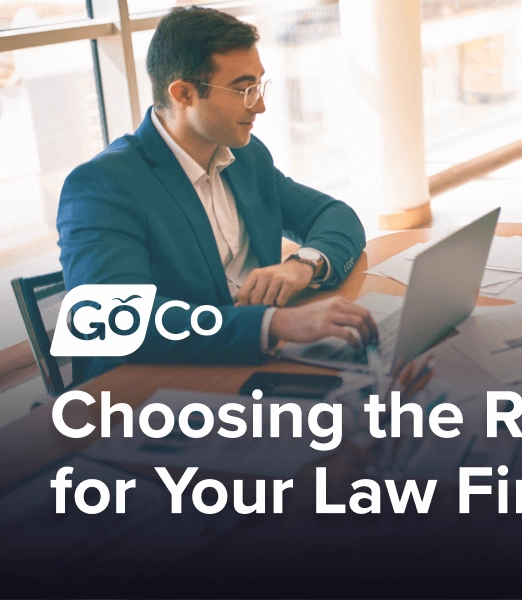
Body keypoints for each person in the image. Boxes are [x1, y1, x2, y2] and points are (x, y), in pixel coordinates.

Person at [57, 6, 377, 383]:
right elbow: (117, 321)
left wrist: (299, 266)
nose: (259, 105)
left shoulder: (245, 154)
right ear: (184, 93)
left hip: (255, 365)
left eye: (259, 85)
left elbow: (335, 216)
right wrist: (273, 323)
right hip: (154, 391)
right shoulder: (101, 187)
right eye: (244, 90)